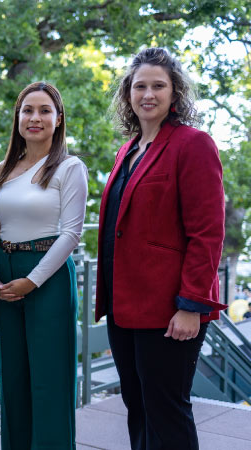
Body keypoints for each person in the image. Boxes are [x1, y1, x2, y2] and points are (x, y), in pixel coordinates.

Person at [96, 47, 226, 450]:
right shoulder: (128, 150)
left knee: (167, 410)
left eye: (158, 86)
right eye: (139, 86)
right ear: (127, 94)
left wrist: (192, 305)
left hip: (171, 308)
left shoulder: (193, 144)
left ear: (175, 93)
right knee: (137, 405)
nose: (147, 94)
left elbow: (208, 233)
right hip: (125, 307)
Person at [0, 81, 88, 449]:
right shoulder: (4, 168)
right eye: (28, 110)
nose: (35, 118)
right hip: (6, 277)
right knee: (13, 377)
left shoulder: (69, 167)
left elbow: (71, 235)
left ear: (58, 120)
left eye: (45, 110)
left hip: (47, 277)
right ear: (17, 118)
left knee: (49, 379)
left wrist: (32, 280)